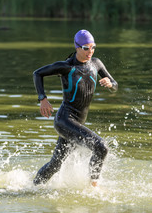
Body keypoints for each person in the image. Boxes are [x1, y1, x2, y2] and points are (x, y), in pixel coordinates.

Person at [33, 29, 118, 187]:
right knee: (101, 147)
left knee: (55, 165)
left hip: (76, 123)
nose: (90, 52)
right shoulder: (66, 67)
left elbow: (115, 85)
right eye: (86, 48)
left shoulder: (96, 63)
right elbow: (37, 74)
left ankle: (33, 187)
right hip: (64, 120)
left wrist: (110, 84)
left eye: (93, 47)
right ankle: (94, 187)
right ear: (77, 47)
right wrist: (42, 98)